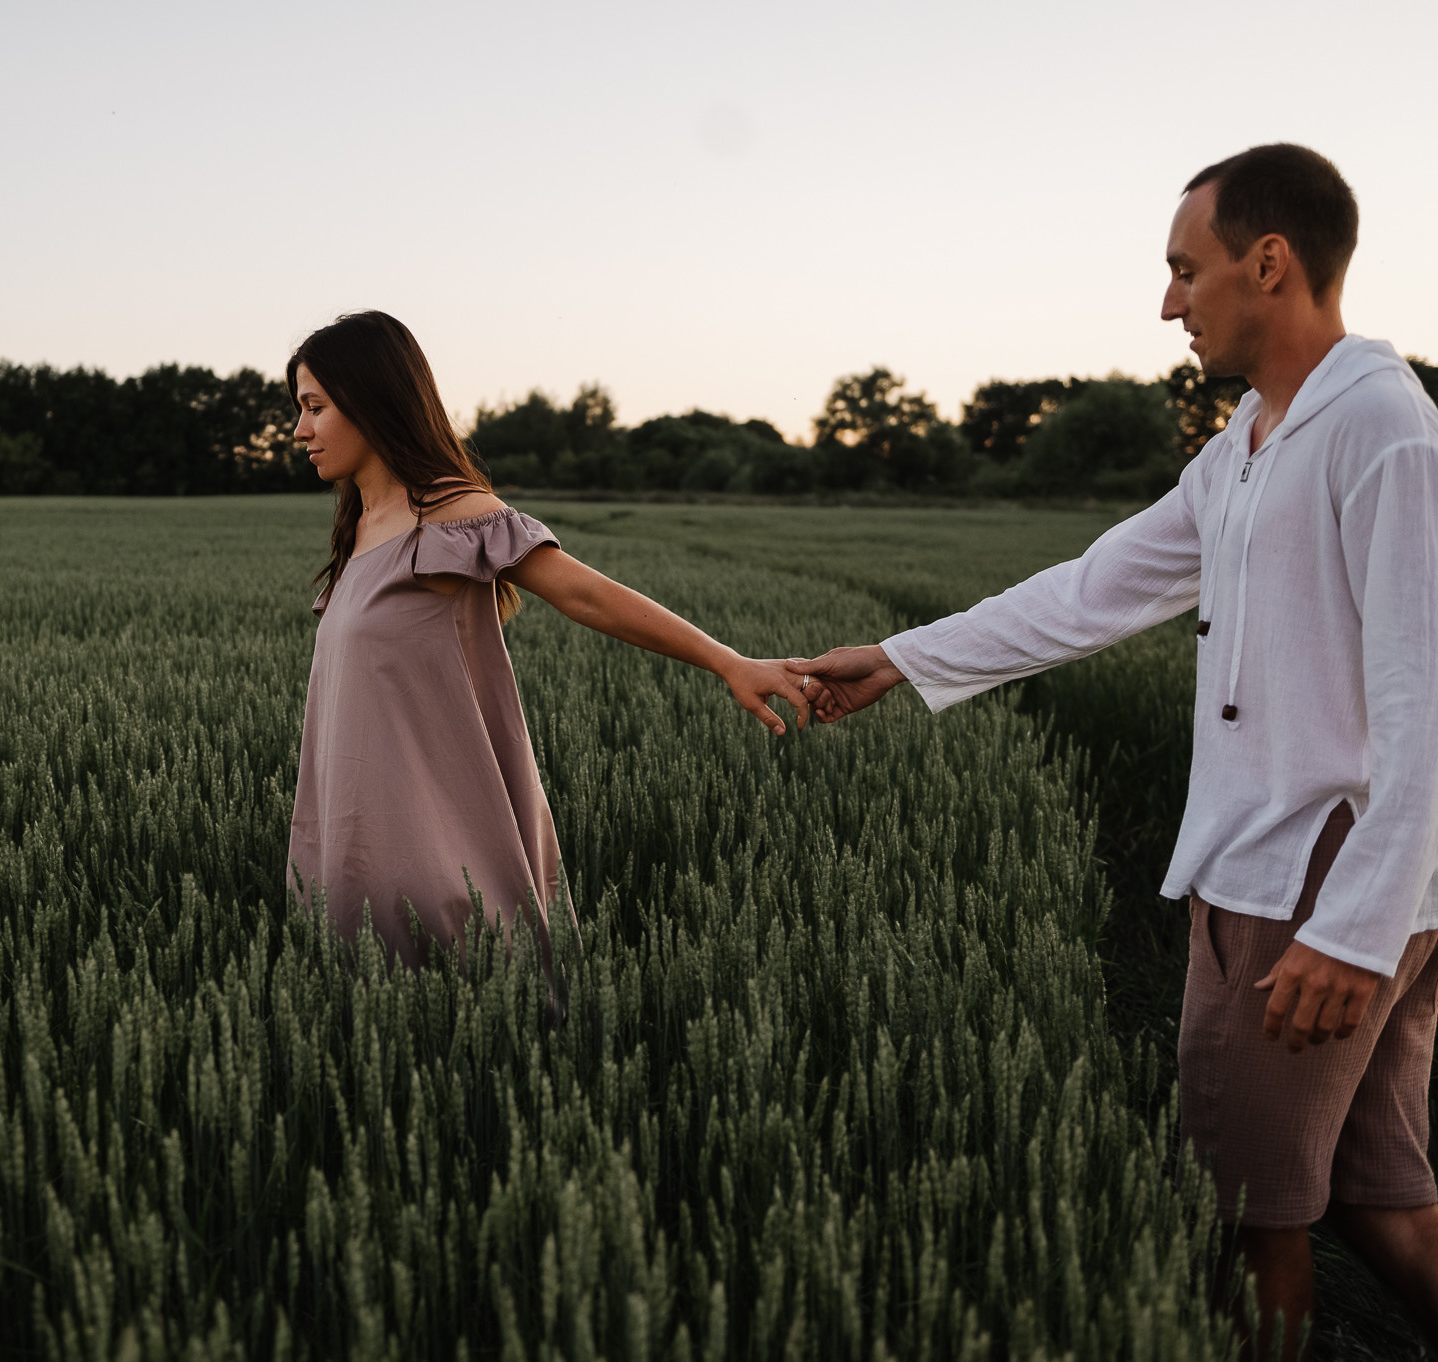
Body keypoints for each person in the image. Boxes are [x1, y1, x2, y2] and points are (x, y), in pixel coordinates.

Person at [792, 145, 1438, 1360]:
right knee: (1379, 1197)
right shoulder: (1251, 440)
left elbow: (1427, 699)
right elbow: (1094, 591)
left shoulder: (1384, 429)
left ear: (1269, 262)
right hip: (1310, 871)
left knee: (1250, 1218)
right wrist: (902, 656)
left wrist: (1351, 927)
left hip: (1312, 878)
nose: (1167, 304)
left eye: (1183, 271)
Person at [286, 310, 809, 970]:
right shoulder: (359, 529)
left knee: (462, 1007)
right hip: (348, 828)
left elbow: (583, 593)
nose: (300, 430)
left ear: (370, 400)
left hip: (429, 836)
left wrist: (727, 662)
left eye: (315, 406)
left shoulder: (452, 515)